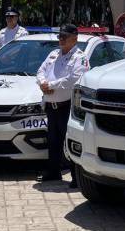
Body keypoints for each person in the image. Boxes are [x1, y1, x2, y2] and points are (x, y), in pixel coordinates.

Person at [36, 24, 88, 183]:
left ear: (75, 38)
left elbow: (74, 79)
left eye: (64, 36)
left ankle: (76, 177)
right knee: (53, 141)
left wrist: (51, 86)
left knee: (70, 142)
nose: (61, 39)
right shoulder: (53, 54)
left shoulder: (80, 57)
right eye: (60, 36)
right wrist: (43, 83)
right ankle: (53, 172)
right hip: (52, 106)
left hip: (68, 106)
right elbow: (40, 71)